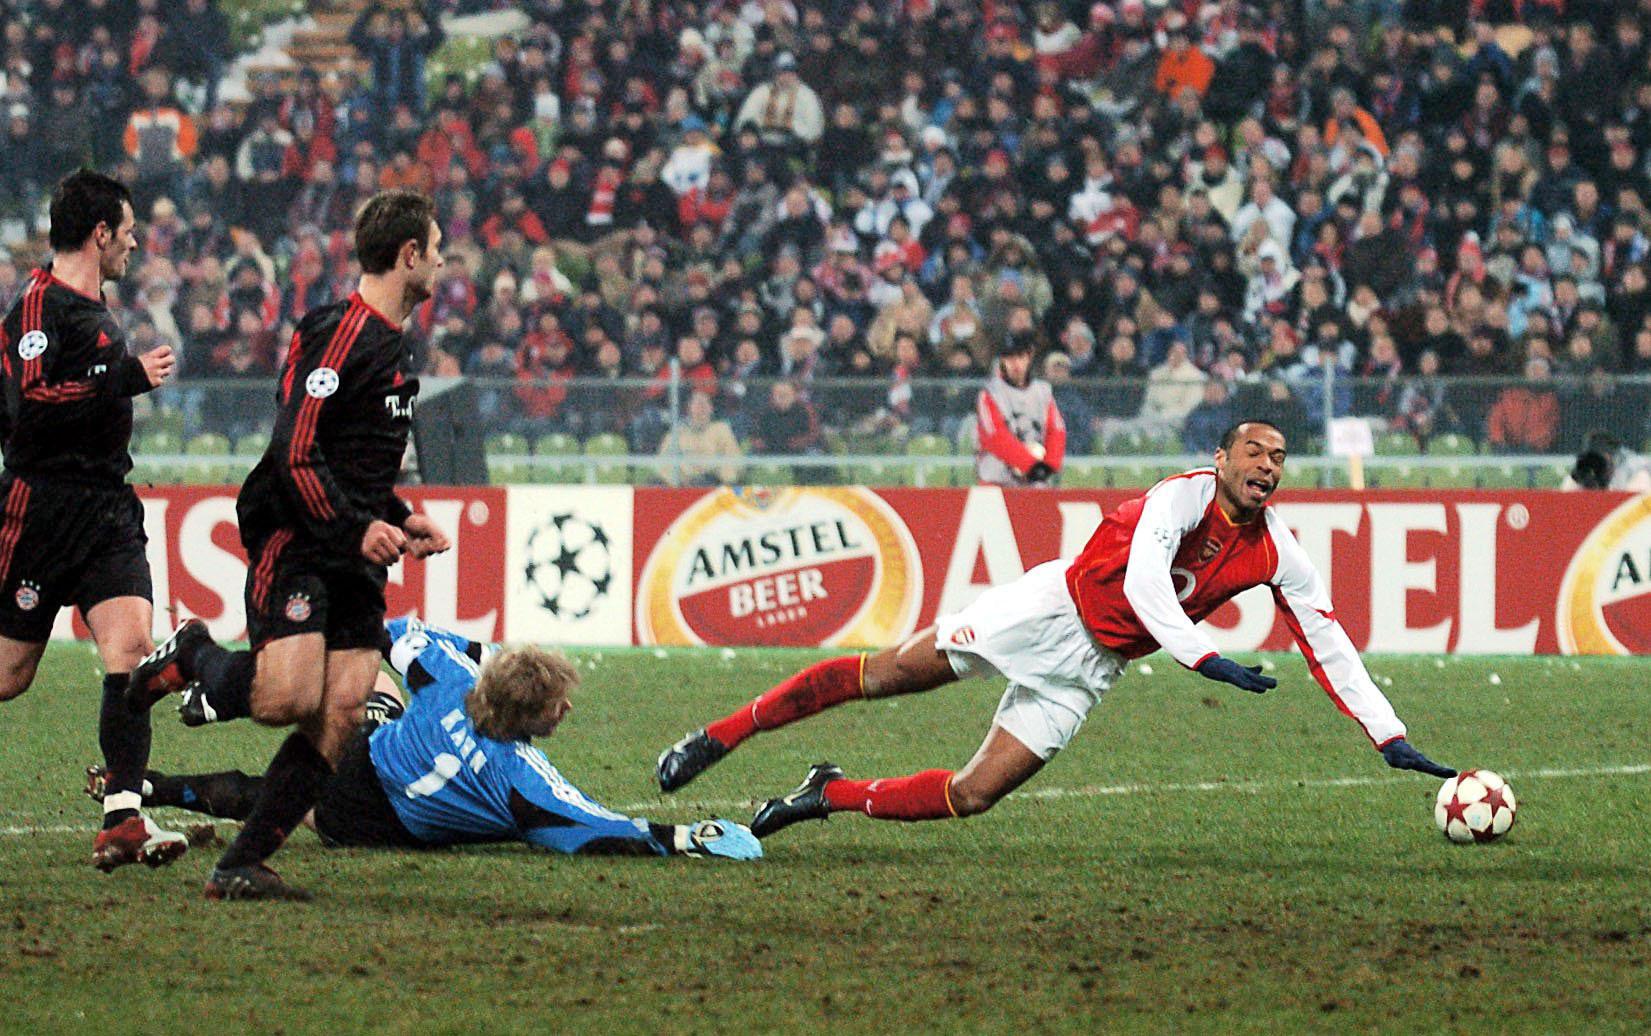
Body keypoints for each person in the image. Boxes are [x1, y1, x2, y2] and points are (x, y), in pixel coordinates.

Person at [655, 421, 1455, 838]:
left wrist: (1388, 735)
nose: (1267, 466)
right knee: (886, 674)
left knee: (973, 795)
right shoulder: (1176, 497)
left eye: (1277, 458)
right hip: (1046, 611)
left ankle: (827, 795)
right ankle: (719, 736)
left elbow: (1327, 640)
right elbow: (1144, 581)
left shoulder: (1279, 550)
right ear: (1219, 459)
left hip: (1092, 668)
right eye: (1254, 451)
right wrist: (1202, 656)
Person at [128, 191, 453, 901]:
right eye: (436, 249)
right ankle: (194, 654)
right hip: (300, 537)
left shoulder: (396, 346)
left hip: (356, 550)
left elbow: (357, 463)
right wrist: (355, 527)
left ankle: (239, 864)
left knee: (344, 709)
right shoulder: (339, 332)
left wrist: (400, 516)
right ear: (408, 255)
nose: (441, 262)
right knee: (285, 699)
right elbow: (295, 450)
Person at [94, 620, 759, 862]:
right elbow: (599, 829)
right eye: (557, 705)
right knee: (275, 800)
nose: (567, 709)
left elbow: (395, 632)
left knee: (363, 680)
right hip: (372, 817)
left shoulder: (452, 680)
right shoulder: (522, 780)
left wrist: (486, 655)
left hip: (372, 748)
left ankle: (212, 689)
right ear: (531, 716)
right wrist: (688, 836)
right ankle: (162, 781)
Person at [0, 169, 182, 871]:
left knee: (131, 651)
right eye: (128, 232)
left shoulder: (92, 305)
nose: (134, 244)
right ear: (100, 233)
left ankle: (122, 819)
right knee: (10, 675)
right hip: (41, 511)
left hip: (107, 509)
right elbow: (35, 400)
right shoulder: (37, 307)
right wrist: (123, 376)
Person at [975, 337, 1067, 486]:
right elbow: (995, 437)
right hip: (996, 480)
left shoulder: (1043, 392)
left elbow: (1056, 431)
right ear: (1002, 361)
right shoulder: (990, 393)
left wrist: (1049, 466)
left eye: (1020, 357)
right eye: (1009, 358)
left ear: (1029, 357)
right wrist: (1031, 465)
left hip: (1035, 479)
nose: (1015, 364)